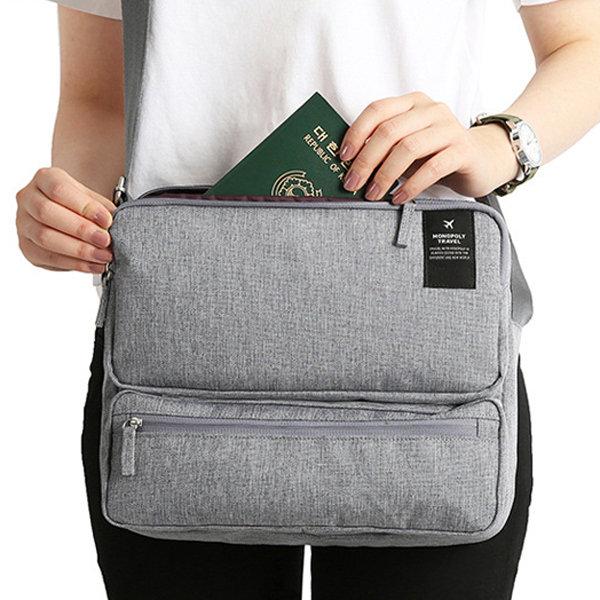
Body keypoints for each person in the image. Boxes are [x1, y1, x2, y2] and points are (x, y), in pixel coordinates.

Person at [14, 1, 600, 599]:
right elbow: (97, 100)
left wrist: (501, 146)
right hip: (177, 348)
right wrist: (74, 212)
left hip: (424, 342)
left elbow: (584, 42)